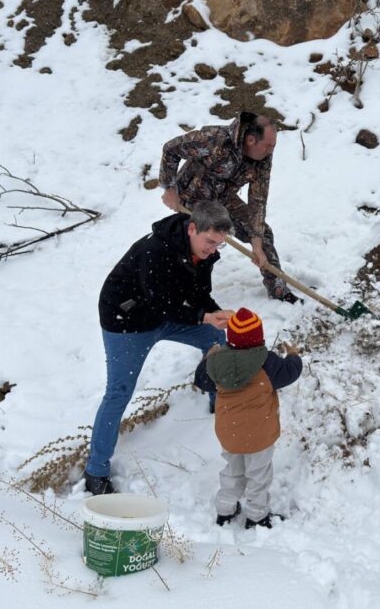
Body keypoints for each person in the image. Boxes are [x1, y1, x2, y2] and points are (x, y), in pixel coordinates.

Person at [84, 201, 235, 496]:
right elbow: (161, 301)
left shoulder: (204, 252)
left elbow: (199, 293)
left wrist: (216, 314)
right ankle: (96, 471)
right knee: (119, 392)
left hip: (167, 315)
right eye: (210, 242)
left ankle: (220, 400)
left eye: (220, 244)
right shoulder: (156, 250)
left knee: (217, 340)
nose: (214, 249)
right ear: (192, 228)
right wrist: (203, 316)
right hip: (128, 321)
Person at [158, 111, 299, 304]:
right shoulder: (214, 139)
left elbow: (258, 198)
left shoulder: (263, 158)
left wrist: (256, 240)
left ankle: (278, 289)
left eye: (273, 145)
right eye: (268, 145)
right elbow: (171, 149)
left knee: (263, 233)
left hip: (223, 199)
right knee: (196, 245)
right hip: (192, 199)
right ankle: (179, 297)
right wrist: (169, 187)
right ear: (251, 140)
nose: (271, 150)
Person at [194, 307, 303, 528]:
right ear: (259, 337)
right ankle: (257, 516)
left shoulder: (217, 363)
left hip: (230, 434)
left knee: (233, 473)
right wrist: (293, 354)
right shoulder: (267, 362)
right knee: (258, 477)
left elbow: (201, 380)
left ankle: (225, 511)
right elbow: (291, 372)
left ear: (231, 338)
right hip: (259, 436)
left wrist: (209, 357)